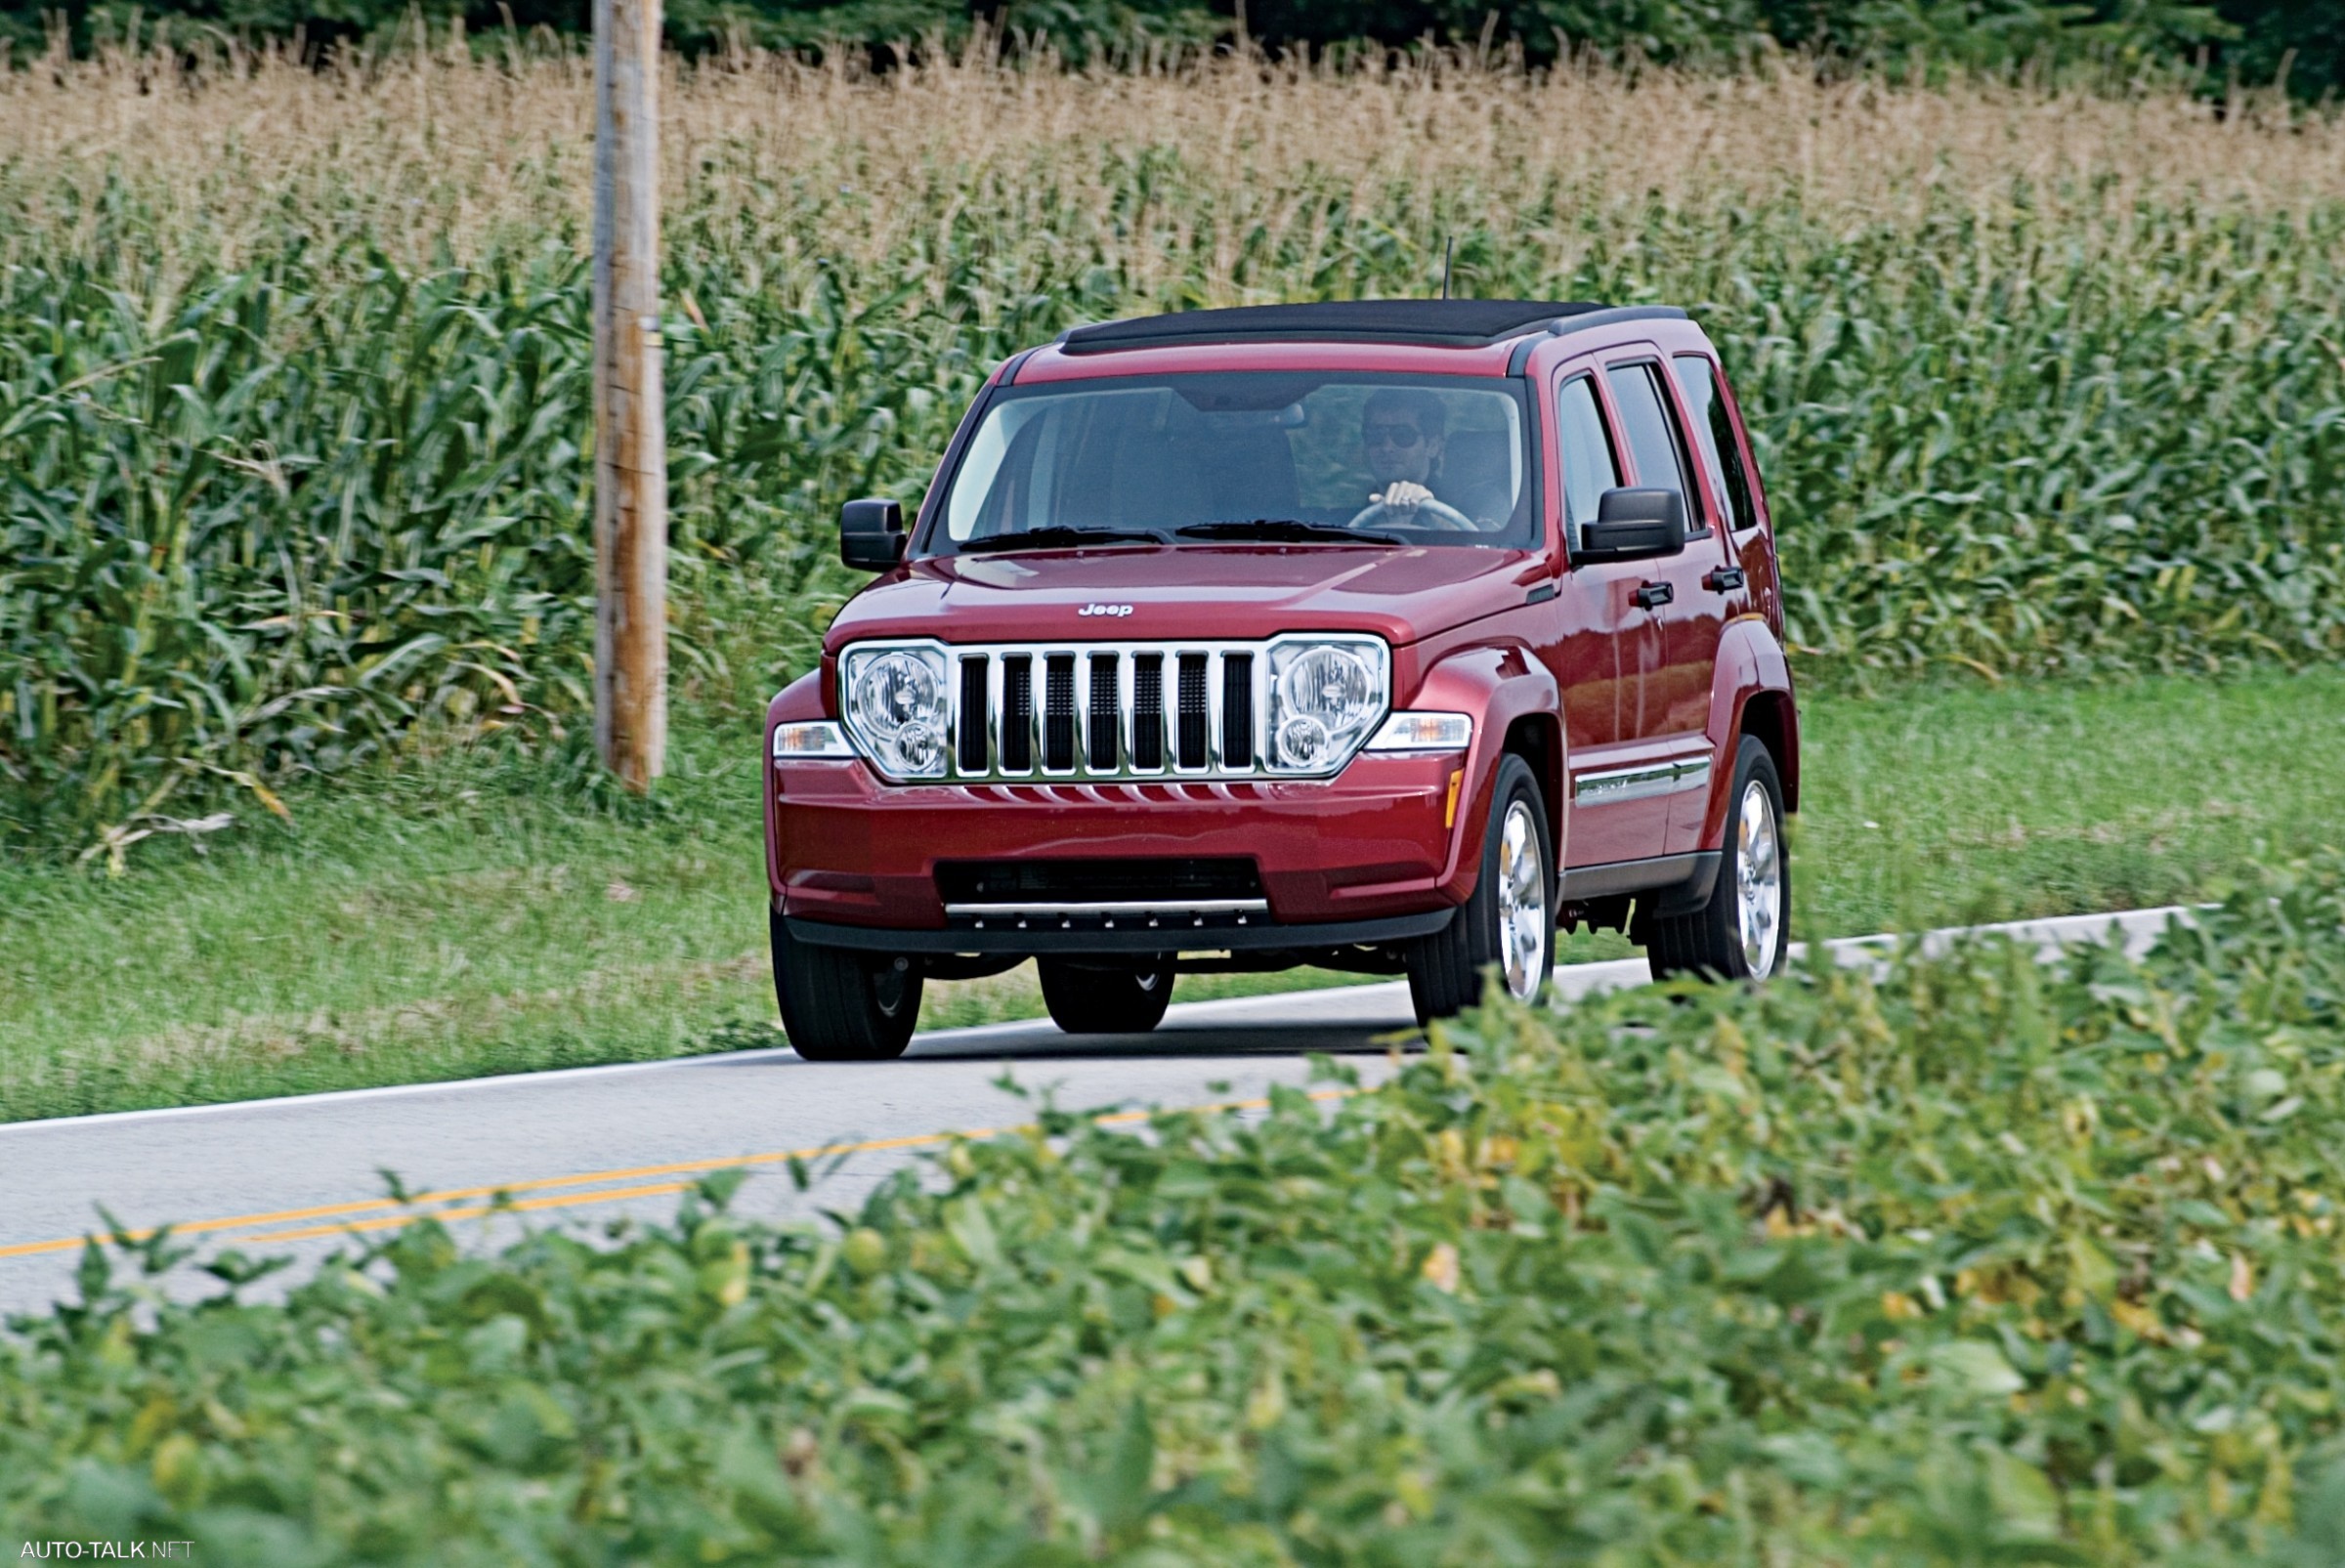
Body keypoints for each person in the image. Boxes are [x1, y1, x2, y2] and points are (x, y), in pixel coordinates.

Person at [1360, 388, 1450, 518]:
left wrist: (1435, 515)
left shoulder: (1470, 512)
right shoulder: (1340, 518)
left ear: (1432, 446)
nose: (1387, 447)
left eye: (1403, 435)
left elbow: (1472, 538)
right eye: (1376, 435)